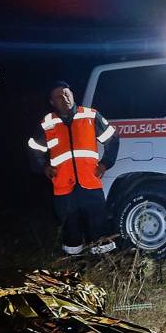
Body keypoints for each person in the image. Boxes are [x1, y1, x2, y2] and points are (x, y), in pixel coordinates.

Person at [27, 82, 120, 255]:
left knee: (98, 225)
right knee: (71, 230)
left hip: (90, 183)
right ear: (52, 102)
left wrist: (104, 163)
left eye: (67, 94)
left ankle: (104, 265)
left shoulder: (90, 115)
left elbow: (112, 139)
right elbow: (34, 148)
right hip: (63, 187)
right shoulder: (47, 123)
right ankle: (74, 267)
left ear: (72, 94)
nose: (65, 98)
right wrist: (44, 166)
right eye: (59, 96)